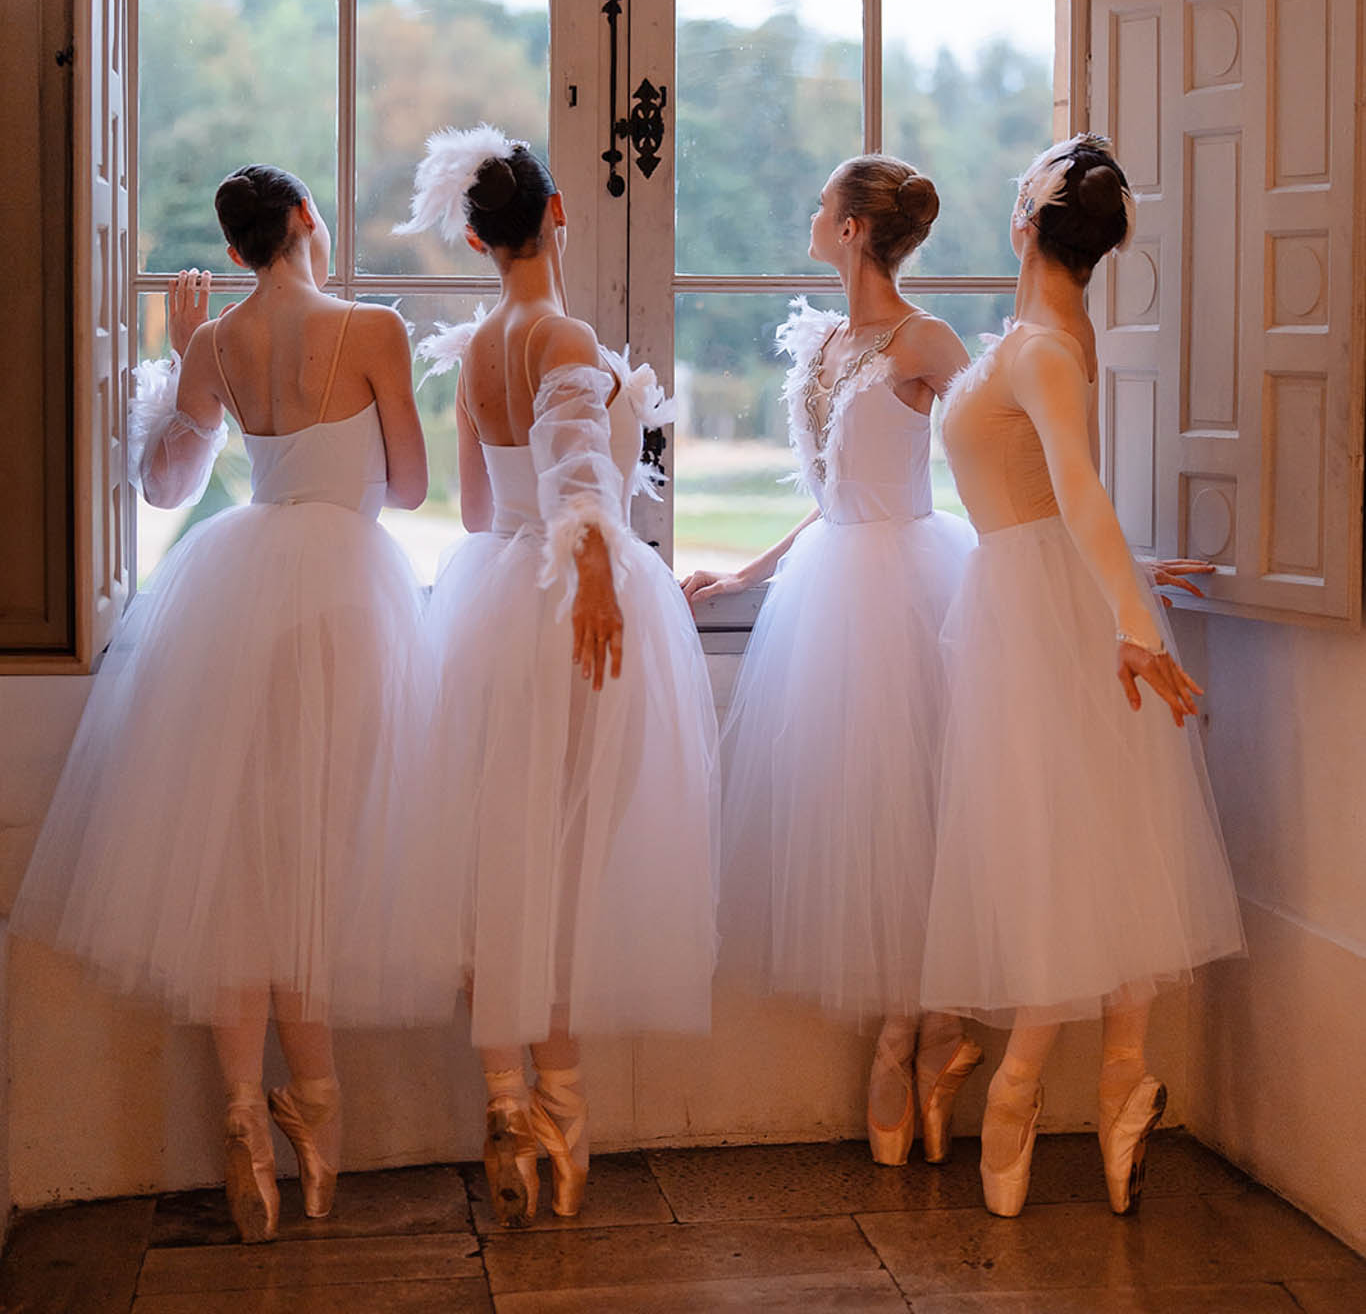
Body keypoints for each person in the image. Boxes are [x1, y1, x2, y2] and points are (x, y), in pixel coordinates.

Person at [12, 166, 432, 1243]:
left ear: (237, 249)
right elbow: (412, 487)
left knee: (238, 868)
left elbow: (165, 485)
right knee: (316, 864)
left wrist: (179, 352)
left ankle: (245, 1120)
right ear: (303, 222)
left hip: (235, 598)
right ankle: (318, 1124)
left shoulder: (213, 344)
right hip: (344, 601)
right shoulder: (375, 327)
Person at [397, 125, 718, 1228]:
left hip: (489, 604)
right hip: (569, 607)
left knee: (500, 862)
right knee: (572, 867)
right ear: (558, 215)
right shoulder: (563, 332)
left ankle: (504, 1100)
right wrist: (592, 576)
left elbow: (476, 510)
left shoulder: (478, 349)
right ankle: (565, 1116)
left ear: (477, 240)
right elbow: (579, 472)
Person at [920, 133, 1244, 1217]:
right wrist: (1126, 582)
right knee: (1094, 837)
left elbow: (1077, 490)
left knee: (1069, 846)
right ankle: (1119, 1082)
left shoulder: (1044, 350)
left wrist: (1132, 616)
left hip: (1044, 617)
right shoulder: (1050, 339)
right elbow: (1056, 500)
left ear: (1025, 222)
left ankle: (1024, 1089)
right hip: (1035, 601)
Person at [684, 156, 981, 1167]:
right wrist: (749, 570)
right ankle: (920, 1030)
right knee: (866, 812)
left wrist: (1049, 552)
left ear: (852, 229)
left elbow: (997, 448)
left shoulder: (926, 339)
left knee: (921, 810)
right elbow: (831, 490)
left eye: (822, 206)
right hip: (832, 584)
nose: (811, 217)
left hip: (913, 585)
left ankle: (922, 1028)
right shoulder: (823, 341)